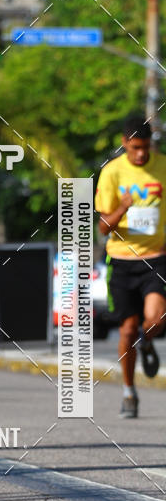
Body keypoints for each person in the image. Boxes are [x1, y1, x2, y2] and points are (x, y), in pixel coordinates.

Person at [95, 114, 166, 418]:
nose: (141, 154)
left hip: (155, 259)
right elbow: (103, 227)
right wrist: (123, 207)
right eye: (135, 147)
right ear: (125, 143)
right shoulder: (112, 172)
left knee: (156, 318)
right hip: (121, 262)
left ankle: (146, 340)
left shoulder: (162, 167)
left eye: (145, 147)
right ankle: (128, 392)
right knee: (126, 330)